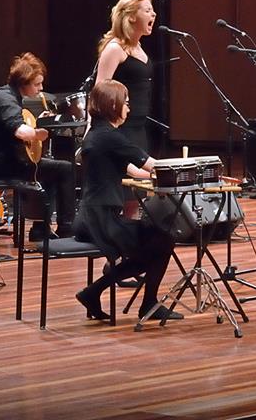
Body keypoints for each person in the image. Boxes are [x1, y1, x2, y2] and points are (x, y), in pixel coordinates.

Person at [72, 80, 181, 322]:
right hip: (101, 220)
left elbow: (136, 170)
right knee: (162, 241)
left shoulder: (98, 134)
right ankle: (146, 304)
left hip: (90, 217)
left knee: (155, 245)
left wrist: (155, 176)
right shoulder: (110, 137)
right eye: (127, 103)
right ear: (113, 104)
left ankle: (94, 292)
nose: (129, 109)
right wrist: (189, 169)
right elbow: (152, 165)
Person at [0, 52, 76, 241]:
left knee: (50, 169)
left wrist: (37, 124)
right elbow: (21, 132)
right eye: (37, 84)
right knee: (65, 169)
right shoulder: (5, 99)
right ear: (23, 82)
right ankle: (66, 228)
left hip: (2, 160)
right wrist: (38, 133)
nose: (41, 88)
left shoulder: (7, 95)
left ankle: (41, 228)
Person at [96, 0, 156, 153]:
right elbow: (99, 91)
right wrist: (94, 130)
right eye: (147, 10)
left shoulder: (139, 47)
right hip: (121, 128)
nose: (153, 14)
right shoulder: (115, 48)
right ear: (132, 17)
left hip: (139, 126)